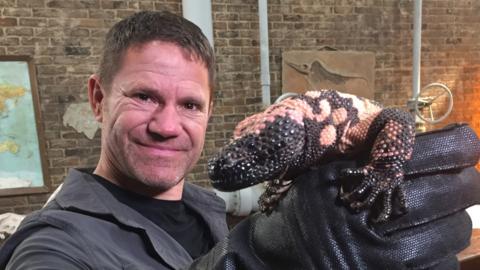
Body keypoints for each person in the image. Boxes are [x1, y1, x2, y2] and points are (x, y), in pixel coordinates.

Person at [0, 10, 479, 270]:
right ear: (98, 98)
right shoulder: (51, 245)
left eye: (189, 104)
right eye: (144, 96)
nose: (168, 125)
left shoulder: (208, 206)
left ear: (210, 109)